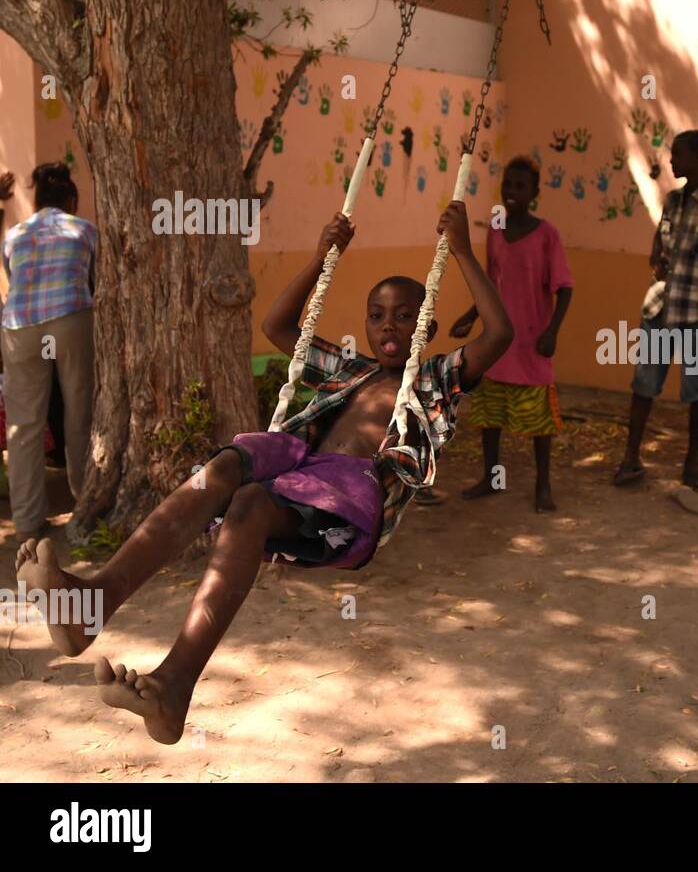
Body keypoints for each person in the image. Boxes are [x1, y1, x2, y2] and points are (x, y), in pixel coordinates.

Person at [15, 202, 513, 744]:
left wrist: (461, 249)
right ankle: (99, 607)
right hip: (296, 465)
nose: (388, 325)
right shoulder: (350, 367)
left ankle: (175, 679)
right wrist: (323, 257)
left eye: (403, 315)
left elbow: (500, 334)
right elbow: (277, 325)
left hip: (350, 498)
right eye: (376, 314)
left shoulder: (436, 378)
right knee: (232, 466)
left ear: (427, 326)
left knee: (253, 501)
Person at [614, 130, 698, 495]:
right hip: (660, 309)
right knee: (644, 385)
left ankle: (691, 465)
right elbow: (659, 241)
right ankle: (630, 459)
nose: (671, 160)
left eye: (678, 154)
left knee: (695, 390)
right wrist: (656, 258)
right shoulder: (672, 201)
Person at [453, 156, 573, 512]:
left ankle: (543, 486)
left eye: (521, 186)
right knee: (490, 417)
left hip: (532, 343)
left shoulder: (547, 234)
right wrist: (471, 317)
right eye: (508, 184)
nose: (512, 192)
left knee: (539, 423)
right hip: (497, 342)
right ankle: (492, 477)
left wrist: (553, 332)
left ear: (535, 192)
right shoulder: (496, 227)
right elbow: (491, 281)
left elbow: (564, 287)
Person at [1, 163, 96, 542]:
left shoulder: (15, 235)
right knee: (79, 412)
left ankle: (26, 523)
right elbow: (94, 278)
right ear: (71, 200)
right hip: (70, 317)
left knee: (23, 425)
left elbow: (14, 277)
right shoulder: (84, 229)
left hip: (19, 326)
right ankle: (84, 509)